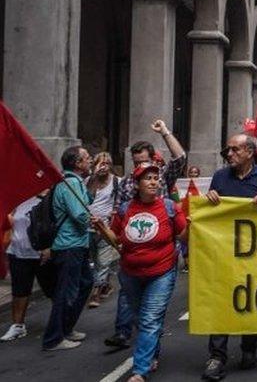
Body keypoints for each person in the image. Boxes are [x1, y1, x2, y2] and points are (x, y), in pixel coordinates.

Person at [201, 134, 257, 381]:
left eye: (235, 150)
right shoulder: (219, 177)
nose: (229, 154)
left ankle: (249, 349)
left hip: (255, 255)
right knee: (221, 303)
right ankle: (217, 356)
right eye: (228, 150)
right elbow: (209, 213)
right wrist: (210, 200)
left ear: (249, 152)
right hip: (224, 253)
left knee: (250, 301)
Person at [105, 120, 187, 350]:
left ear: (152, 160)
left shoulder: (161, 176)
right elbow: (119, 212)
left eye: (143, 161)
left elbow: (180, 158)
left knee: (151, 312)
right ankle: (123, 332)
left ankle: (148, 352)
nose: (139, 166)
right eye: (136, 162)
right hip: (132, 255)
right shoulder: (126, 184)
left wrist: (165, 133)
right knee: (128, 296)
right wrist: (114, 237)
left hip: (161, 256)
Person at [109, 162, 188, 382]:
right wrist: (101, 228)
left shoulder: (170, 207)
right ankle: (152, 353)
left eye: (156, 178)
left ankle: (139, 370)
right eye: (148, 178)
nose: (153, 182)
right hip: (130, 273)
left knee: (150, 319)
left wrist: (190, 226)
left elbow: (183, 238)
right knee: (139, 318)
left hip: (161, 272)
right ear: (137, 184)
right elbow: (115, 239)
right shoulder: (125, 209)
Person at [42, 146, 94, 352]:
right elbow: (79, 214)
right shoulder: (70, 182)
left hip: (77, 244)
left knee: (85, 283)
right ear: (77, 163)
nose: (90, 161)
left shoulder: (75, 182)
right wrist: (90, 220)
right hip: (69, 245)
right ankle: (53, 338)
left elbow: (87, 200)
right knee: (66, 292)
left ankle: (66, 327)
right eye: (87, 158)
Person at [1, 193, 57, 342]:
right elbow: (7, 223)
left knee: (52, 290)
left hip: (41, 254)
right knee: (19, 291)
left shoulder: (47, 200)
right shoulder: (16, 201)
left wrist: (50, 248)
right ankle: (18, 325)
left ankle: (61, 323)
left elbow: (55, 225)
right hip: (18, 252)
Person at [86, 152, 121, 308]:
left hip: (105, 228)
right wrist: (93, 177)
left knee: (104, 261)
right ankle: (105, 284)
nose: (104, 167)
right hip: (87, 228)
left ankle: (96, 292)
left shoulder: (116, 182)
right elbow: (86, 200)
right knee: (94, 260)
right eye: (101, 163)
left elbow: (119, 204)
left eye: (107, 163)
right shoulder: (87, 181)